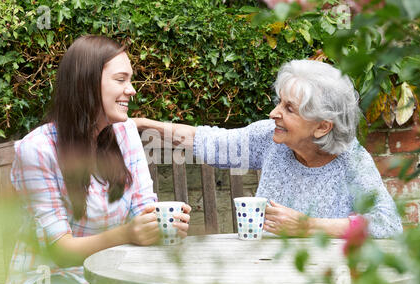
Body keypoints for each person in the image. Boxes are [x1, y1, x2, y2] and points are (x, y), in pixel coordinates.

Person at [5, 35, 191, 284]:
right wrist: (128, 233)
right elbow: (59, 251)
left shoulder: (124, 132)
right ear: (88, 83)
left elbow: (143, 207)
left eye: (130, 79)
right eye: (120, 79)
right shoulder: (37, 150)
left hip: (113, 272)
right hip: (50, 278)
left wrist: (161, 224)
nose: (132, 90)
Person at [134, 59, 403, 239]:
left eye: (289, 108)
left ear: (322, 127)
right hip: (265, 273)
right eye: (279, 102)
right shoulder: (270, 139)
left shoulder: (351, 160)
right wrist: (142, 125)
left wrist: (307, 226)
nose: (274, 113)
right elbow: (208, 141)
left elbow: (389, 224)